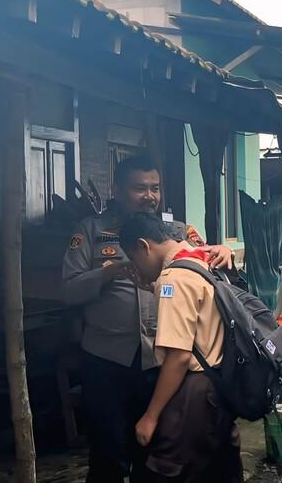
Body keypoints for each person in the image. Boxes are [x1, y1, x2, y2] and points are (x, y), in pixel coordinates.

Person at [61, 155, 233, 483]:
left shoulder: (176, 231)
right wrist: (109, 272)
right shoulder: (90, 231)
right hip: (106, 360)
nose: (149, 196)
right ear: (117, 190)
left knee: (155, 450)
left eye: (155, 188)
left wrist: (225, 252)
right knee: (107, 452)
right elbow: (68, 290)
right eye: (139, 188)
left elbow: (207, 259)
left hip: (160, 361)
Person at [119, 212, 243, 483]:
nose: (136, 266)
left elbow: (178, 357)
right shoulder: (201, 259)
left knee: (167, 470)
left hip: (194, 393)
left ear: (143, 246)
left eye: (133, 258)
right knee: (220, 470)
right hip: (221, 384)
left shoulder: (172, 279)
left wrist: (151, 416)